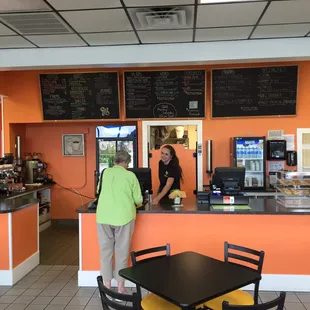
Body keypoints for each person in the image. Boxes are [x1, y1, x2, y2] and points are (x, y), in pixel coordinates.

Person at [96, 150, 143, 294]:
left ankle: (107, 286)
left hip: (103, 216)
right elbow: (138, 200)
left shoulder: (105, 173)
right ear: (127, 163)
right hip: (124, 217)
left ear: (114, 161)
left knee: (105, 252)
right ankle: (121, 288)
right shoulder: (130, 175)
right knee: (121, 252)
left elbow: (98, 191)